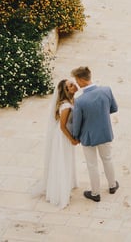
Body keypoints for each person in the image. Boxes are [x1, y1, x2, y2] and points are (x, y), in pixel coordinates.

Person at [69, 66, 119, 202]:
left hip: (88, 137)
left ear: (81, 80)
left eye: (76, 80)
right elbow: (114, 108)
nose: (76, 83)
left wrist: (75, 136)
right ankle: (112, 186)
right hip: (105, 133)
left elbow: (77, 123)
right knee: (107, 159)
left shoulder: (80, 101)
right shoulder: (106, 90)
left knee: (92, 165)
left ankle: (95, 193)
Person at [44, 79, 79, 208]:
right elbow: (62, 126)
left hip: (66, 134)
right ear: (66, 90)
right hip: (63, 137)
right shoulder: (66, 106)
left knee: (67, 159)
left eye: (73, 83)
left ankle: (68, 183)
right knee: (63, 160)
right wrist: (72, 139)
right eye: (71, 85)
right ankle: (60, 190)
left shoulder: (72, 100)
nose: (74, 85)